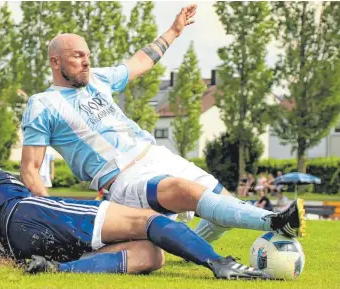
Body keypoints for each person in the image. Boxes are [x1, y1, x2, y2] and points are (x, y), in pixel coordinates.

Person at [19, 4, 306, 244]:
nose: (86, 62)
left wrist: (174, 31)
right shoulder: (42, 104)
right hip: (124, 177)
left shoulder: (98, 78)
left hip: (156, 154)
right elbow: (31, 169)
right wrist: (53, 215)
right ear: (56, 62)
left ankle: (179, 250)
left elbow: (142, 61)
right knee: (187, 192)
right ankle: (277, 221)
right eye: (77, 56)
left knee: (224, 204)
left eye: (87, 55)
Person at [0, 112, 272, 280]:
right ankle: (220, 264)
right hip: (32, 213)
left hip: (23, 238)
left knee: (151, 255)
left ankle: (59, 270)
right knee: (148, 221)